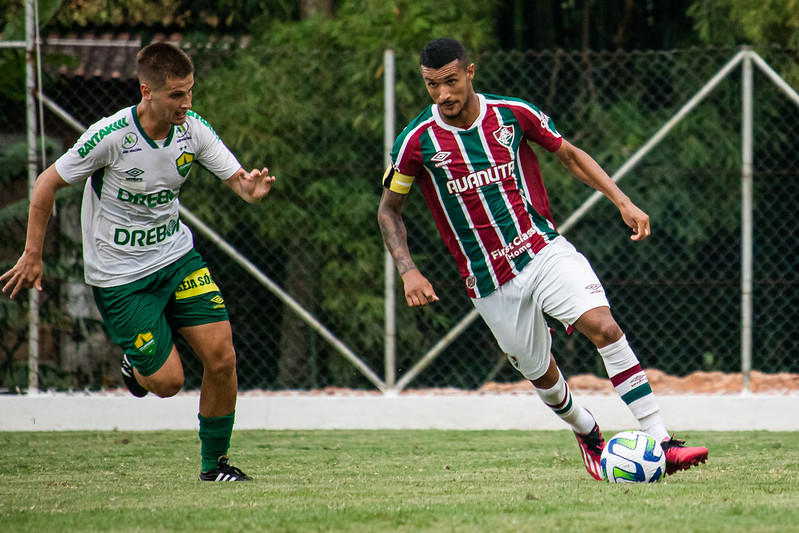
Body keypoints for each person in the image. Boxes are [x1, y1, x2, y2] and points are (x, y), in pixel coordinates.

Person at [377, 37, 708, 480]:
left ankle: (662, 440)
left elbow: (569, 155)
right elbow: (389, 210)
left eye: (450, 81)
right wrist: (408, 270)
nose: (443, 94)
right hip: (487, 279)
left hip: (541, 249)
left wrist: (622, 201)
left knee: (604, 326)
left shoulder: (512, 114)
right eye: (432, 85)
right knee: (542, 376)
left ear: (470, 72)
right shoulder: (415, 142)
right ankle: (587, 432)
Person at [0, 42, 274, 482]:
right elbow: (46, 183)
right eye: (176, 95)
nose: (187, 103)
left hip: (175, 258)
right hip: (120, 276)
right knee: (168, 383)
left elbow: (239, 182)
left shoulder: (193, 130)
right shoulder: (111, 136)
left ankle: (214, 466)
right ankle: (136, 364)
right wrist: (33, 253)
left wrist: (251, 191)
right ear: (147, 91)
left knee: (222, 357)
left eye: (190, 91)